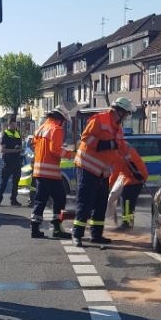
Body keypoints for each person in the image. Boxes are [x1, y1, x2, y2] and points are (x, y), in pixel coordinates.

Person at [71, 97, 136, 247]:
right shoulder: (99, 119)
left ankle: (96, 235)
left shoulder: (118, 127)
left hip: (103, 171)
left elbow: (120, 148)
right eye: (125, 113)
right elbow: (86, 138)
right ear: (118, 111)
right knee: (85, 202)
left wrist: (133, 167)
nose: (126, 116)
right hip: (87, 167)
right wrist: (106, 144)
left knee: (101, 203)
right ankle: (77, 234)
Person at [29, 105, 74, 239]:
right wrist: (70, 154)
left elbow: (33, 145)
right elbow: (55, 150)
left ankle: (35, 229)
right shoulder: (56, 129)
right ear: (60, 118)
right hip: (51, 173)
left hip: (39, 172)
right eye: (64, 121)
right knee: (60, 200)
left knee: (40, 201)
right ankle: (57, 229)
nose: (64, 124)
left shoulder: (41, 128)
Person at [108, 142, 148, 230]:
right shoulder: (125, 149)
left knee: (126, 200)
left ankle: (126, 223)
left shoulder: (119, 155)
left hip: (135, 178)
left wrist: (109, 185)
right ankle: (129, 222)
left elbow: (115, 173)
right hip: (136, 176)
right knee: (130, 201)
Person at [0, 118, 23, 207]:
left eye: (16, 125)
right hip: (7, 162)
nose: (15, 127)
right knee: (3, 183)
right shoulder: (5, 134)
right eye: (13, 125)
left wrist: (20, 149)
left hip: (17, 162)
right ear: (9, 125)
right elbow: (2, 150)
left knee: (16, 183)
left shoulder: (18, 134)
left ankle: (13, 200)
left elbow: (20, 146)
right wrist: (14, 151)